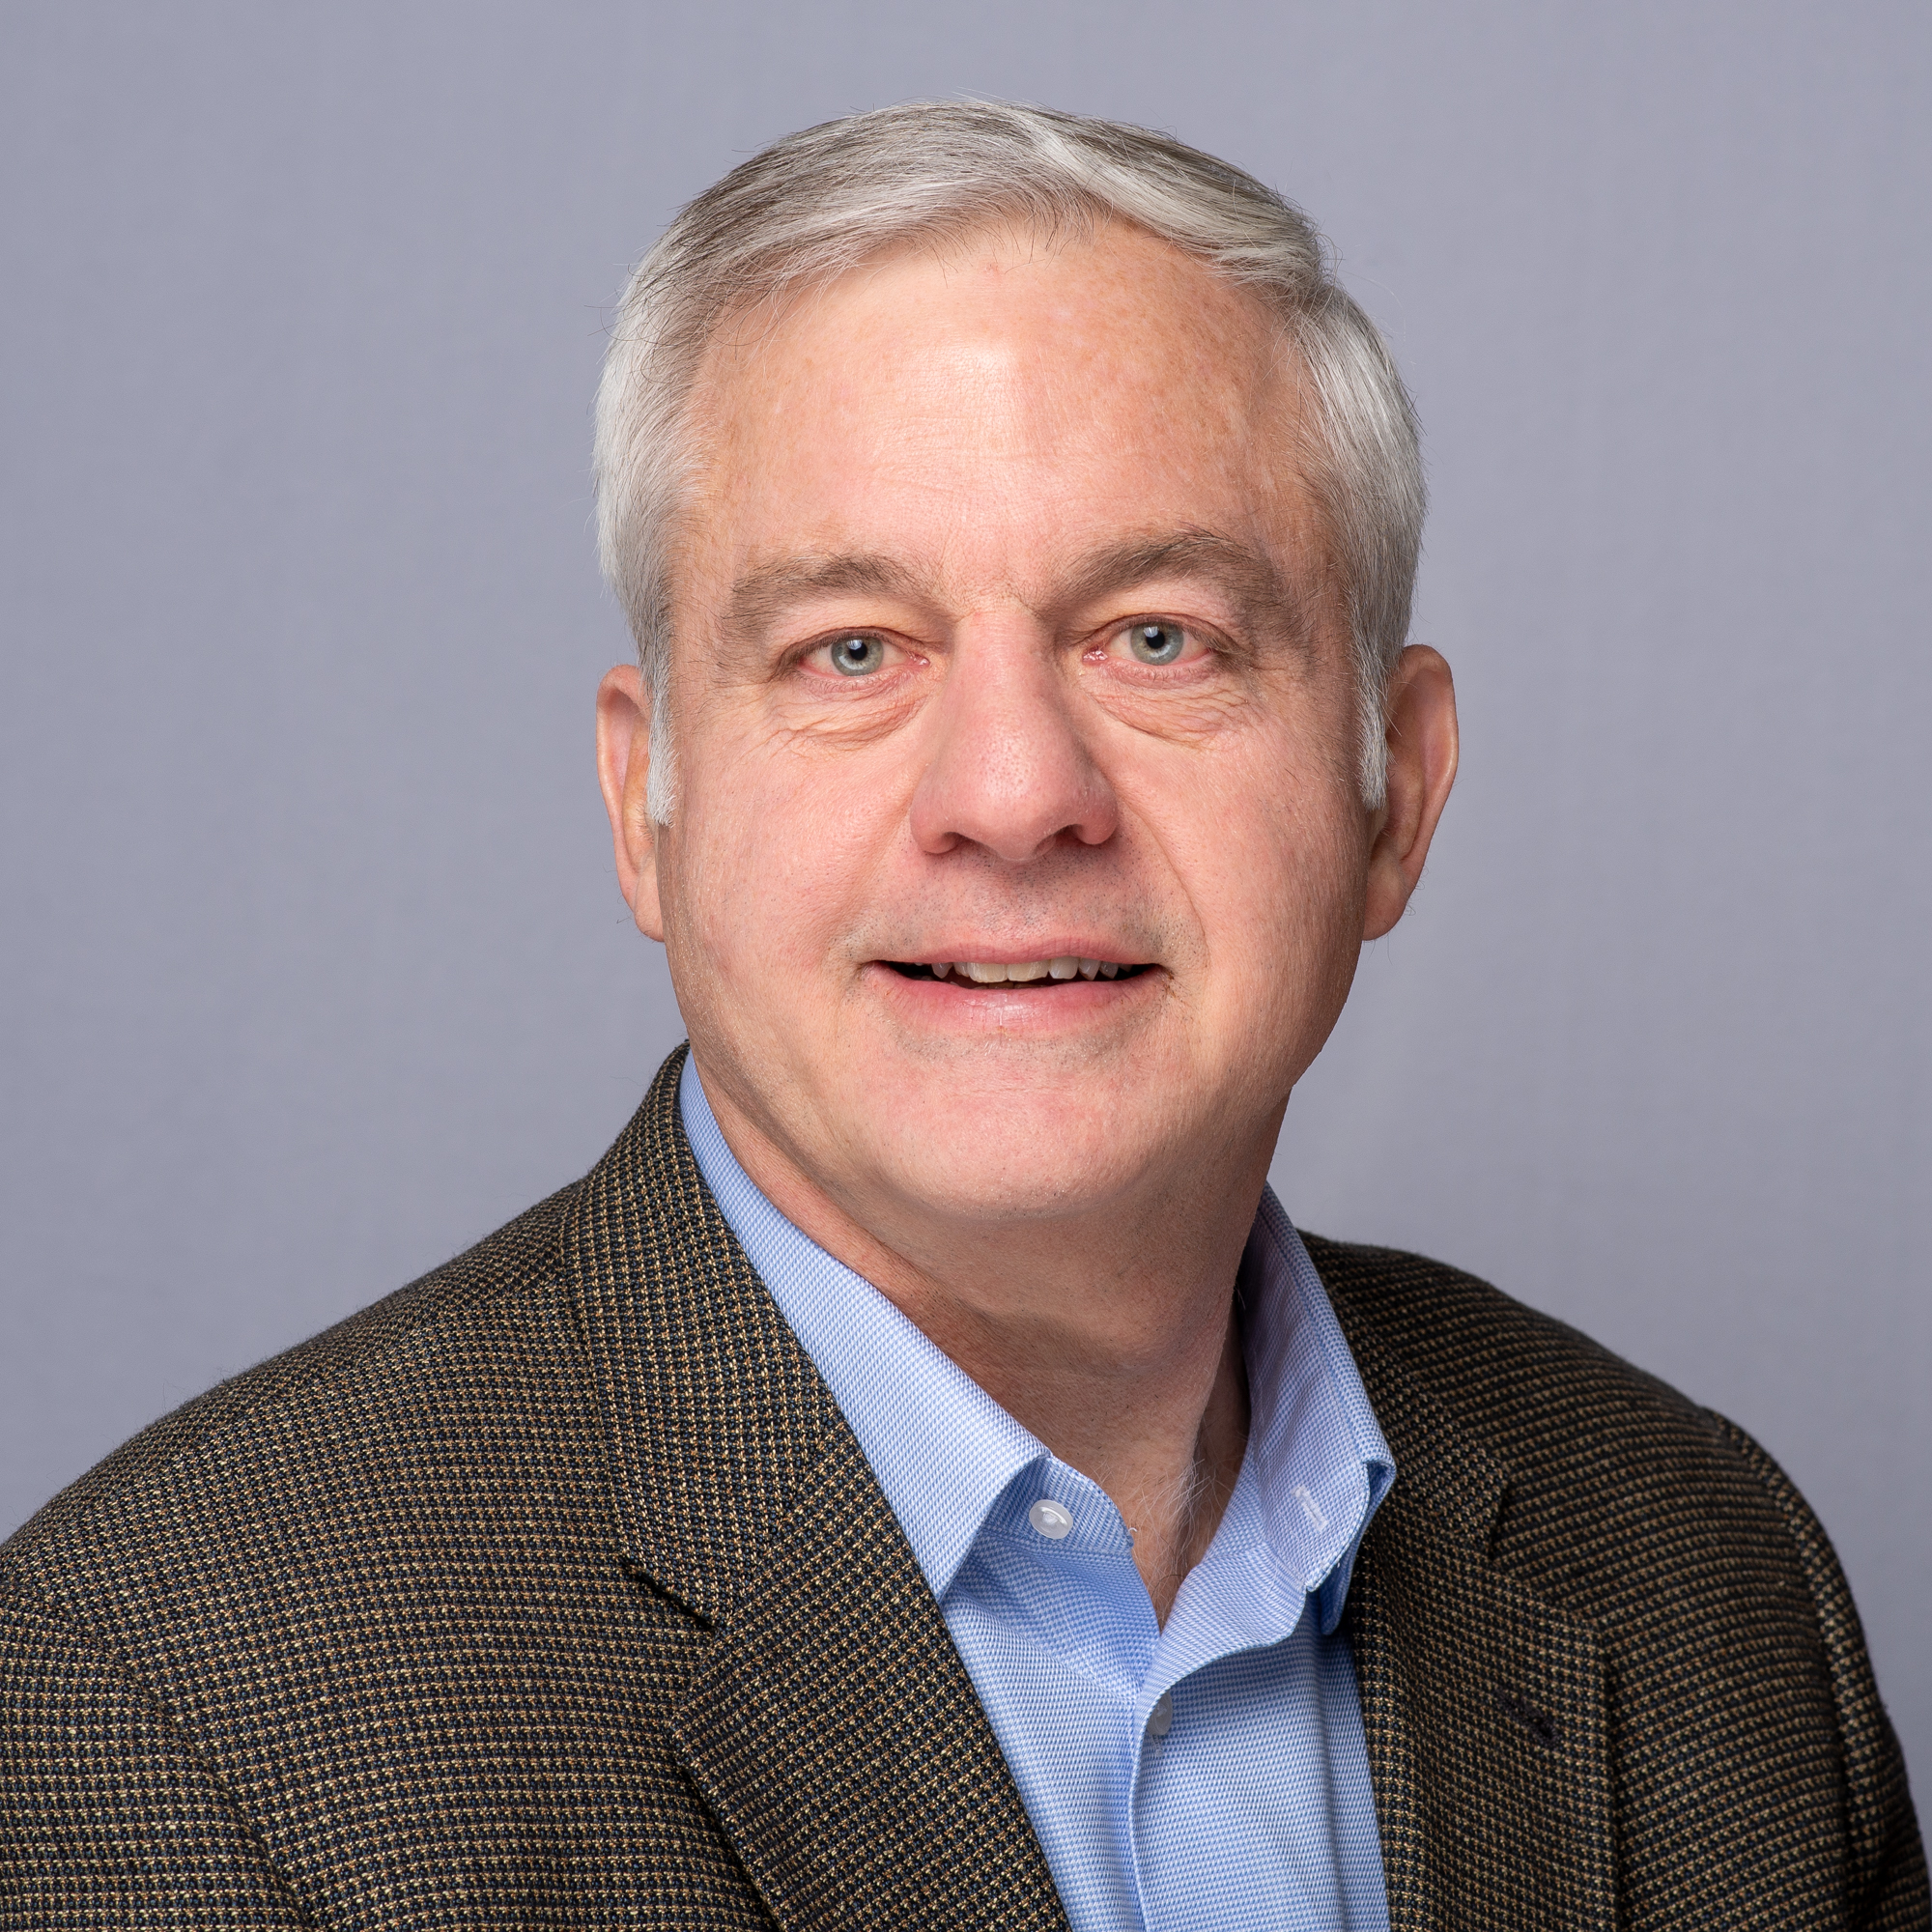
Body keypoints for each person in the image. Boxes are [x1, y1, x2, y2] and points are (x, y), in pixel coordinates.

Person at [0, 100, 1921, 1932]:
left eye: (1158, 634)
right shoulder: (176, 1698)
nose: (1013, 794)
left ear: (1391, 791)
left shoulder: (1701, 1572)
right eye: (850, 649)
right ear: (644, 803)